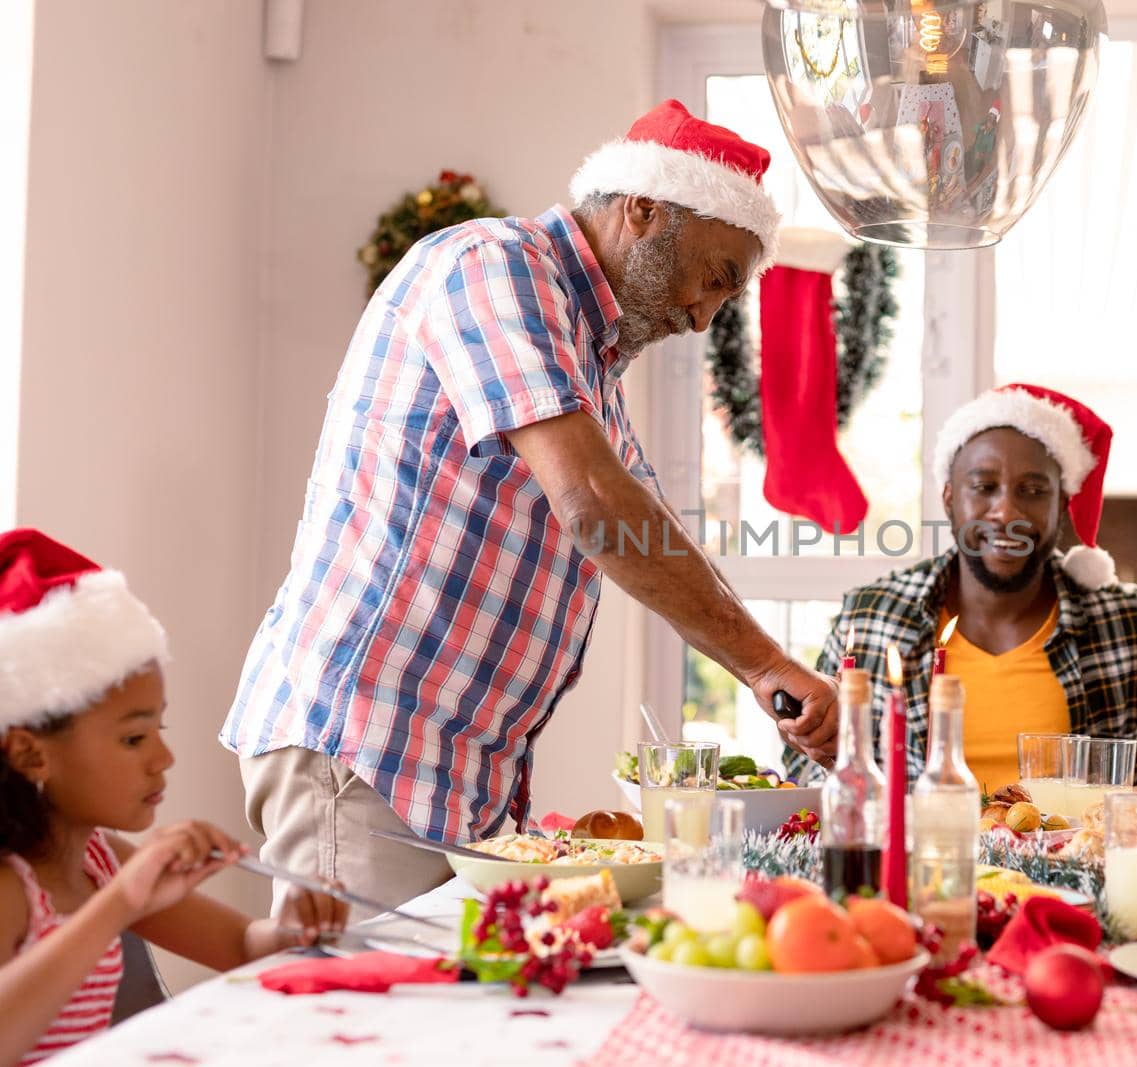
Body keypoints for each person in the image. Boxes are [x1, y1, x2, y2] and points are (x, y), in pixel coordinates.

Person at [220, 100, 840, 913]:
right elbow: (593, 504)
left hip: (454, 774)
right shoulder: (493, 264)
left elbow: (648, 532)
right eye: (714, 279)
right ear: (644, 210)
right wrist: (765, 665)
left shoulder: (590, 368)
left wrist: (766, 669)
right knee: (357, 1030)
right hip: (365, 748)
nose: (701, 318)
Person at [786, 384, 1137, 790]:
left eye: (1033, 491)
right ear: (949, 497)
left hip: (1084, 896)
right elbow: (805, 763)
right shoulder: (871, 618)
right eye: (984, 486)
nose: (1007, 513)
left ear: (1063, 504)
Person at [0, 529, 347, 1064]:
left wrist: (289, 930)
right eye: (134, 738)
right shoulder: (12, 888)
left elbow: (240, 946)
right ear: (30, 754)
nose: (164, 759)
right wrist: (121, 904)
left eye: (159, 730)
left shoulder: (99, 861)